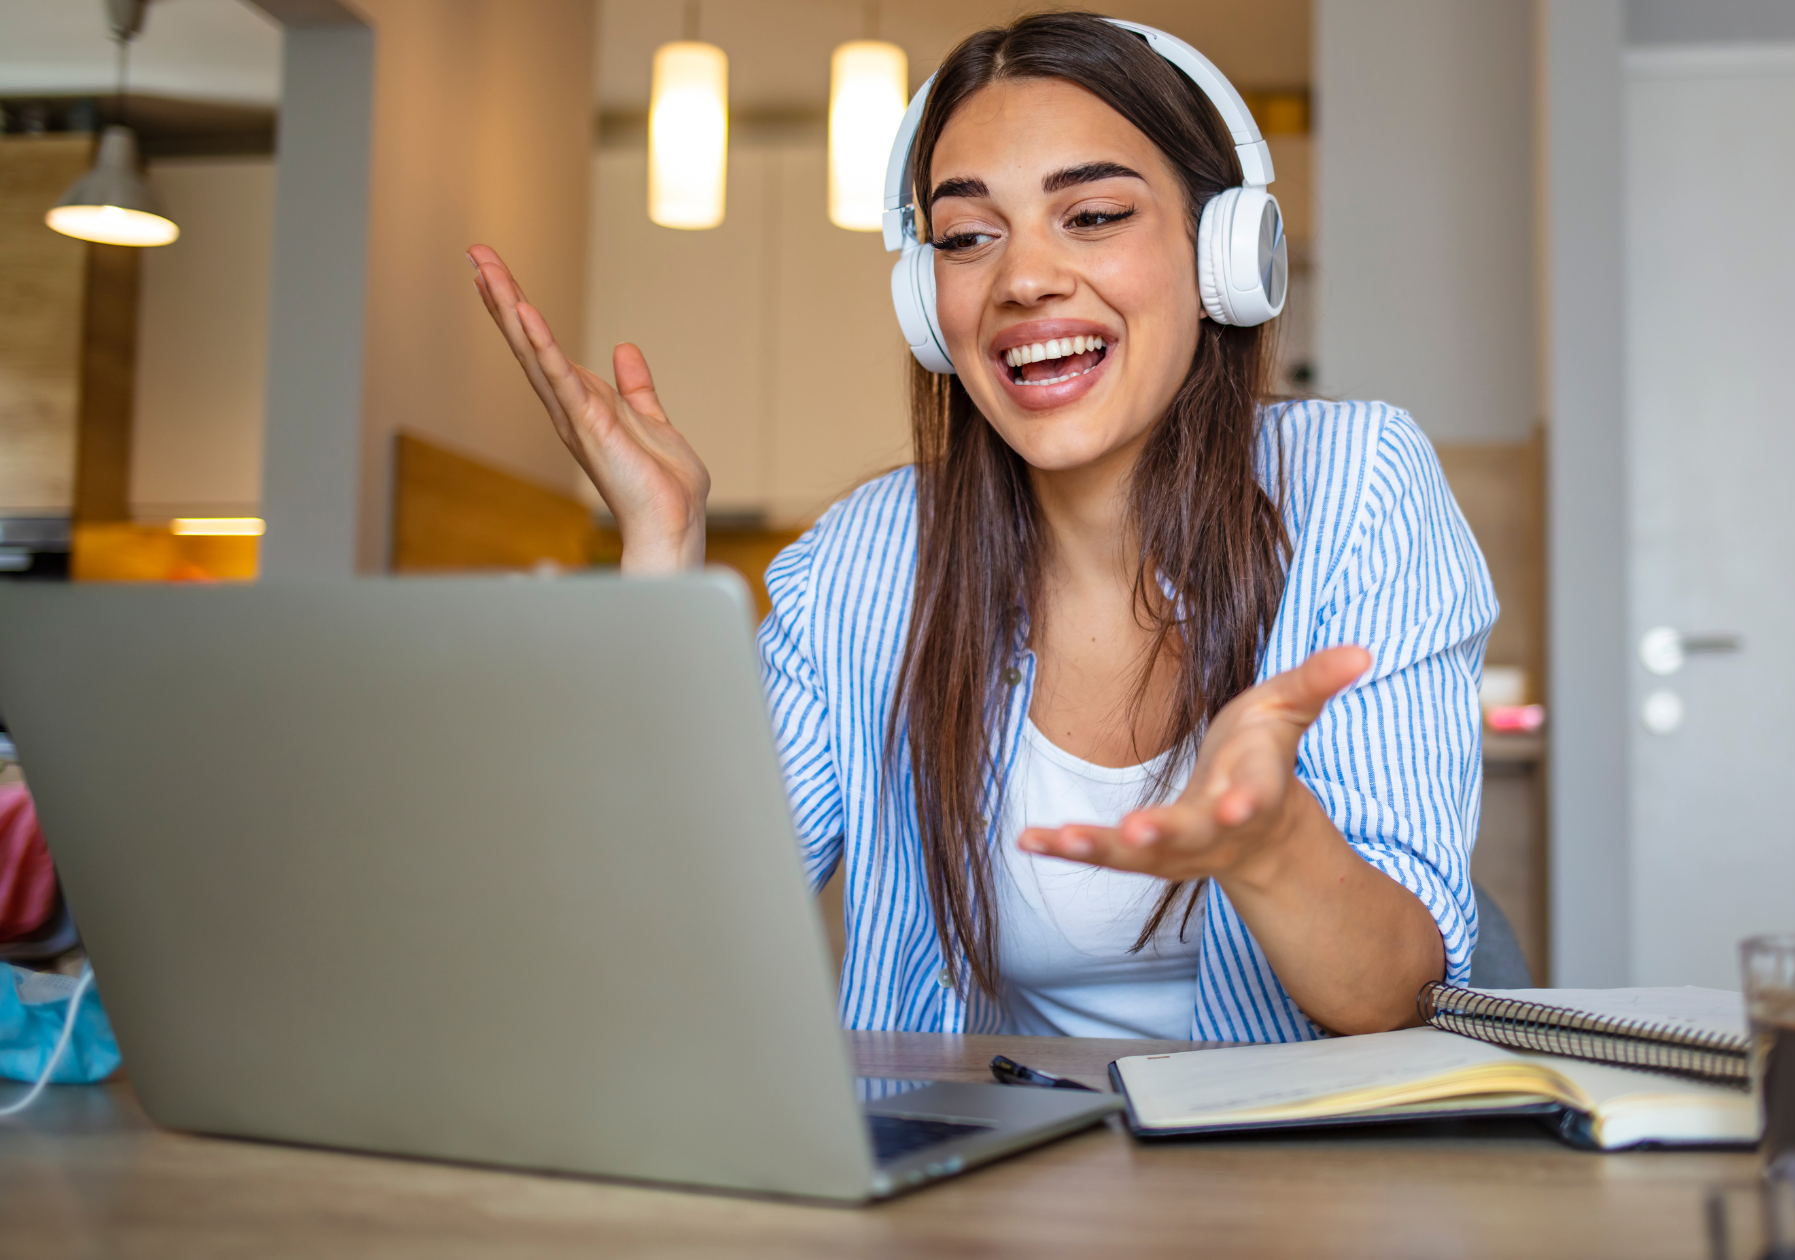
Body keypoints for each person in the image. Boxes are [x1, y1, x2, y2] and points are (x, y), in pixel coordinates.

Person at [466, 12, 1495, 1042]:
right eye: (965, 238)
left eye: (1091, 214)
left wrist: (1273, 849)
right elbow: (678, 930)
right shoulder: (863, 563)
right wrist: (662, 553)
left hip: (1286, 1189)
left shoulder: (1356, 488)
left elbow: (1393, 999)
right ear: (926, 301)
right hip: (994, 1182)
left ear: (1220, 251)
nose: (1022, 279)